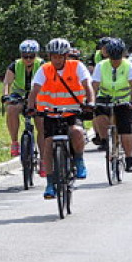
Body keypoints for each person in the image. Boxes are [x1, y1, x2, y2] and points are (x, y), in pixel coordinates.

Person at [26, 37, 94, 199]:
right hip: (49, 112)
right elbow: (34, 91)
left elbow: (87, 86)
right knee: (47, 144)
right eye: (54, 56)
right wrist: (30, 107)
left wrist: (90, 102)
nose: (57, 60)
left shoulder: (77, 66)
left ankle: (78, 159)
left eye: (60, 56)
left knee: (76, 131)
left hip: (72, 111)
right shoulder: (44, 70)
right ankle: (50, 183)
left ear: (66, 56)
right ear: (50, 56)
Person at [91, 37, 132, 171]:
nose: (116, 61)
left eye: (118, 57)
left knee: (125, 129)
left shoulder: (128, 65)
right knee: (98, 114)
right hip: (105, 97)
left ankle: (129, 158)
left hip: (123, 99)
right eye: (113, 57)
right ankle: (105, 141)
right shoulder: (101, 66)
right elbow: (94, 85)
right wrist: (91, 100)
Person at [2, 39, 43, 158]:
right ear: (21, 55)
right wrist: (6, 96)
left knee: (41, 121)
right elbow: (7, 83)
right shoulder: (15, 65)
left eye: (31, 56)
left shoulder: (42, 65)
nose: (28, 59)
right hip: (19, 94)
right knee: (12, 109)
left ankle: (43, 158)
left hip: (37, 94)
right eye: (25, 56)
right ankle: (14, 142)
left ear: (36, 55)